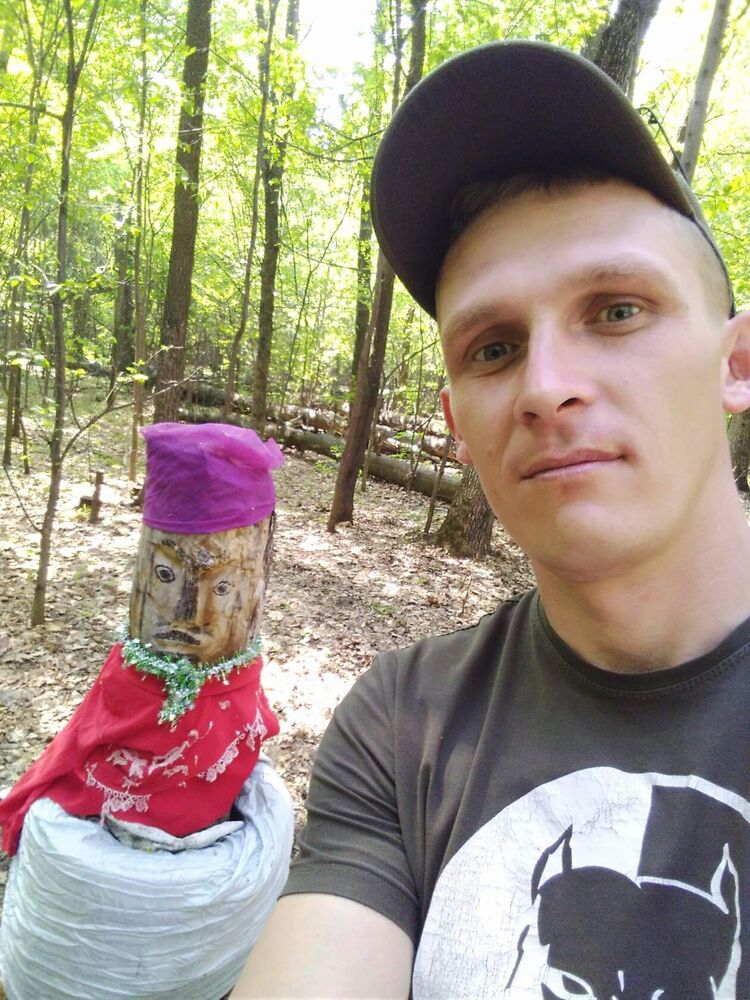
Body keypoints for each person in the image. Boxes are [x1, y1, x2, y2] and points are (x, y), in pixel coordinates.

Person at [234, 40, 750, 998]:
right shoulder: (405, 728)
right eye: (495, 348)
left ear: (737, 364)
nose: (545, 387)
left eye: (618, 310)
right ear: (457, 427)